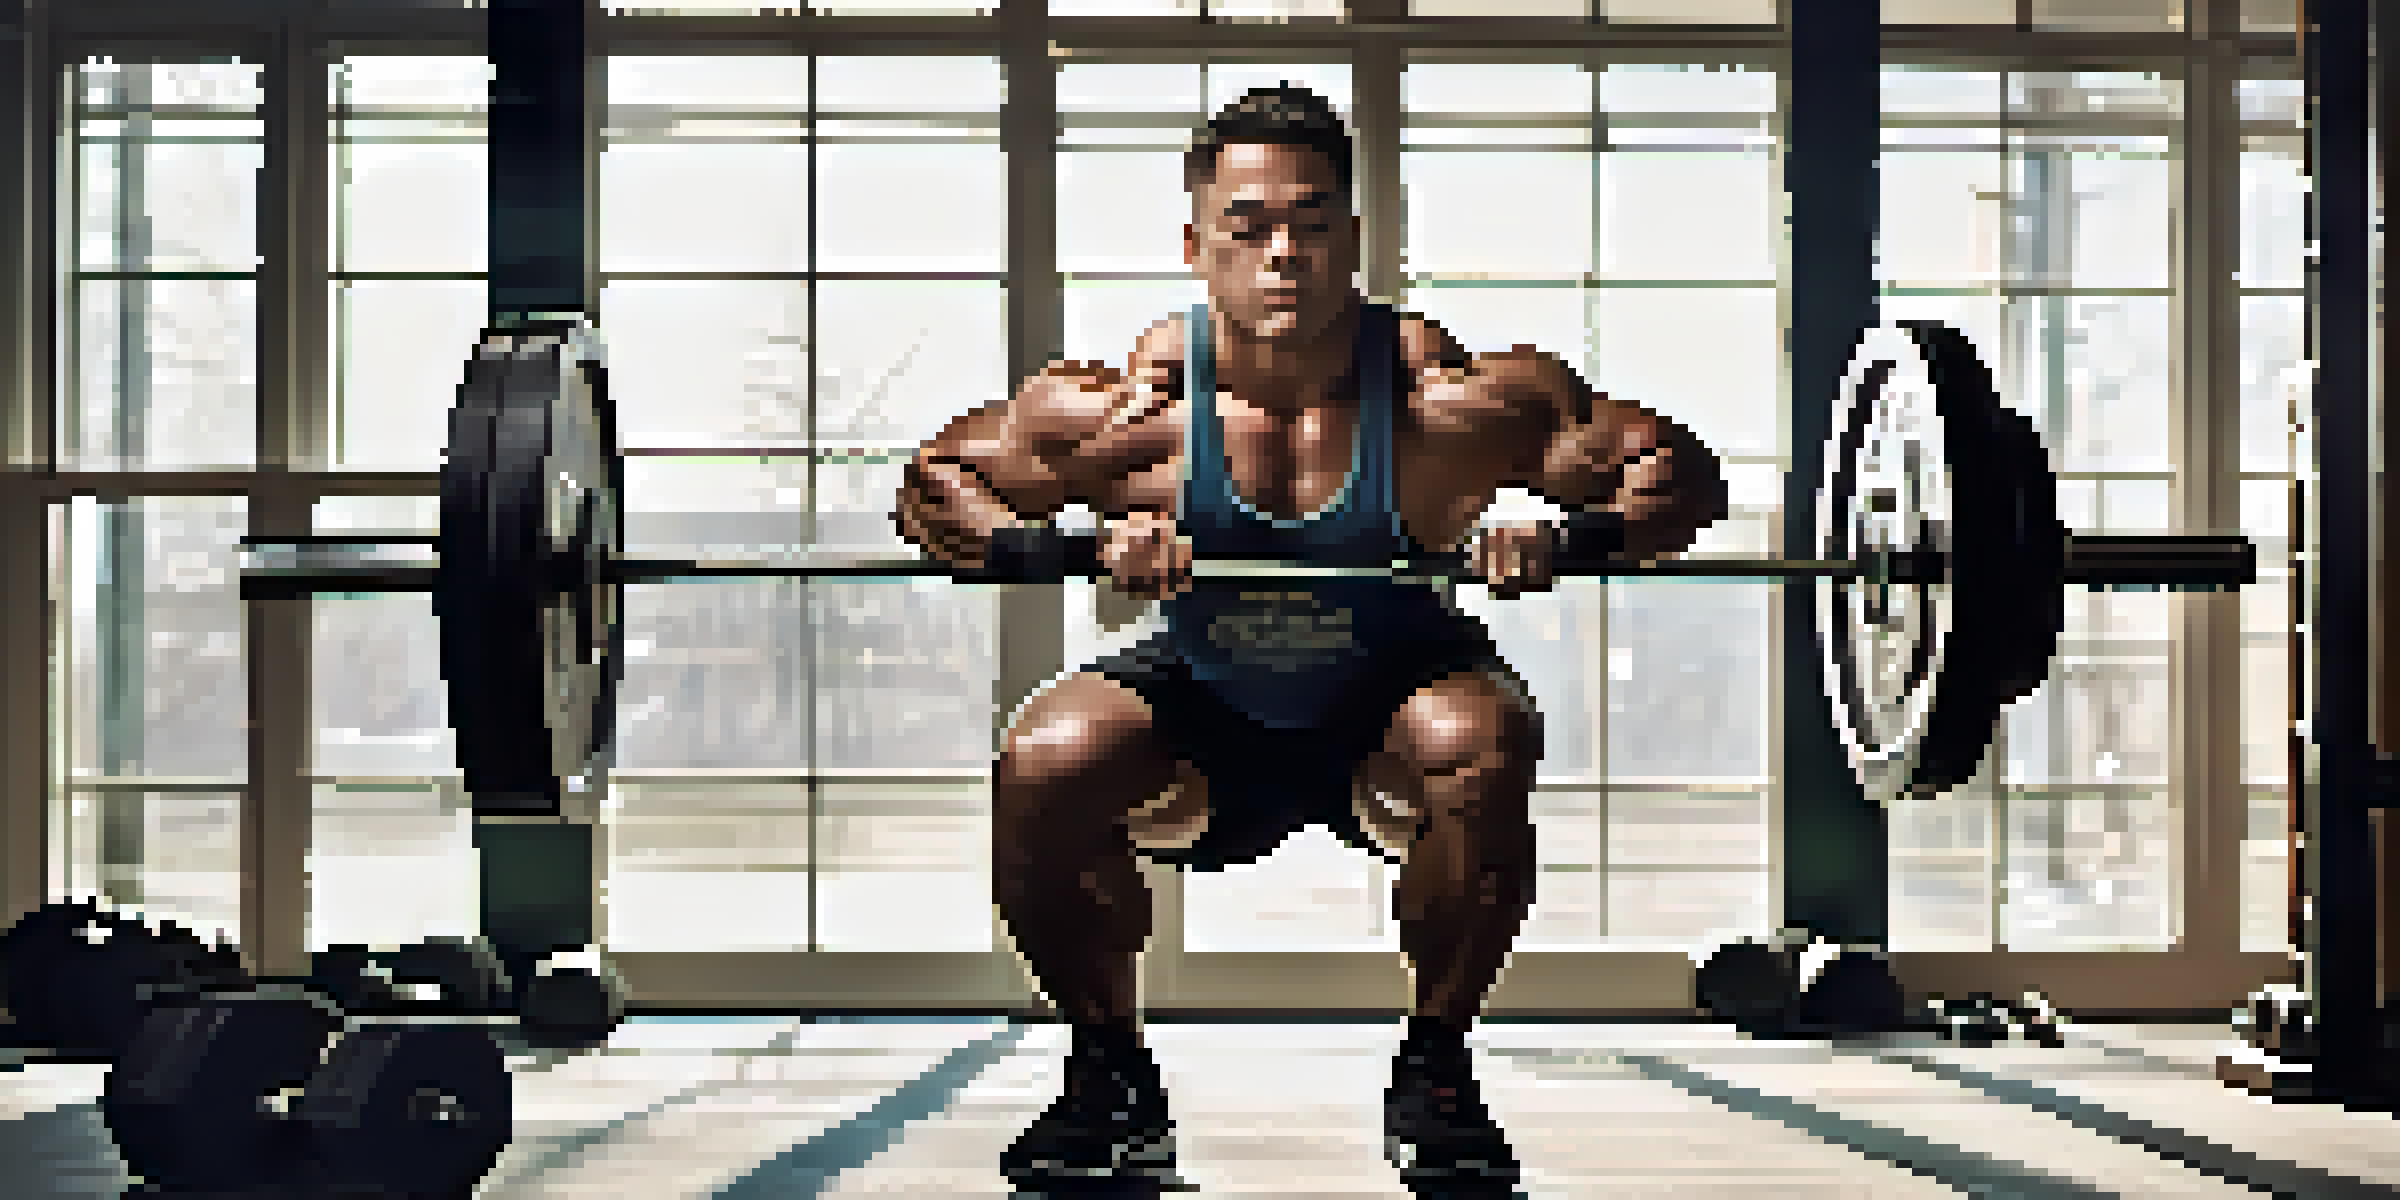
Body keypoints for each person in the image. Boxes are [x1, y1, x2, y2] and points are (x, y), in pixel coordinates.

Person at [895, 83, 1728, 1191]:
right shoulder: (1128, 417)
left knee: (1485, 741)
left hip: (1393, 696)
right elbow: (936, 485)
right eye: (1250, 228)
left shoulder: (1452, 404)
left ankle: (1435, 1070)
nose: (1283, 252)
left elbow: (1678, 475)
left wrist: (1574, 539)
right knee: (1044, 760)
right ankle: (1108, 1078)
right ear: (1197, 246)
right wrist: (1065, 554)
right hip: (1201, 698)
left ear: (1354, 236)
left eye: (1313, 221)